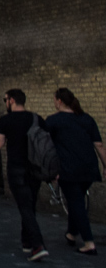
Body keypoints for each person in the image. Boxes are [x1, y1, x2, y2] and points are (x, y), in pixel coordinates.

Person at [45, 88, 106, 256]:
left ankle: (89, 242)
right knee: (76, 200)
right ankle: (71, 234)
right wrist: (105, 165)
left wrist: (49, 170)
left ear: (59, 101)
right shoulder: (87, 119)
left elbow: (47, 147)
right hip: (89, 167)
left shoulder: (53, 121)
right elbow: (99, 145)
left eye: (54, 100)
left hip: (68, 168)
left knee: (76, 203)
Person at [0, 89, 49, 261]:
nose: (5, 103)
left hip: (16, 168)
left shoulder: (5, 120)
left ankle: (38, 245)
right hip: (35, 168)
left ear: (11, 100)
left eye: (5, 100)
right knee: (29, 204)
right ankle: (26, 242)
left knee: (24, 206)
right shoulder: (36, 118)